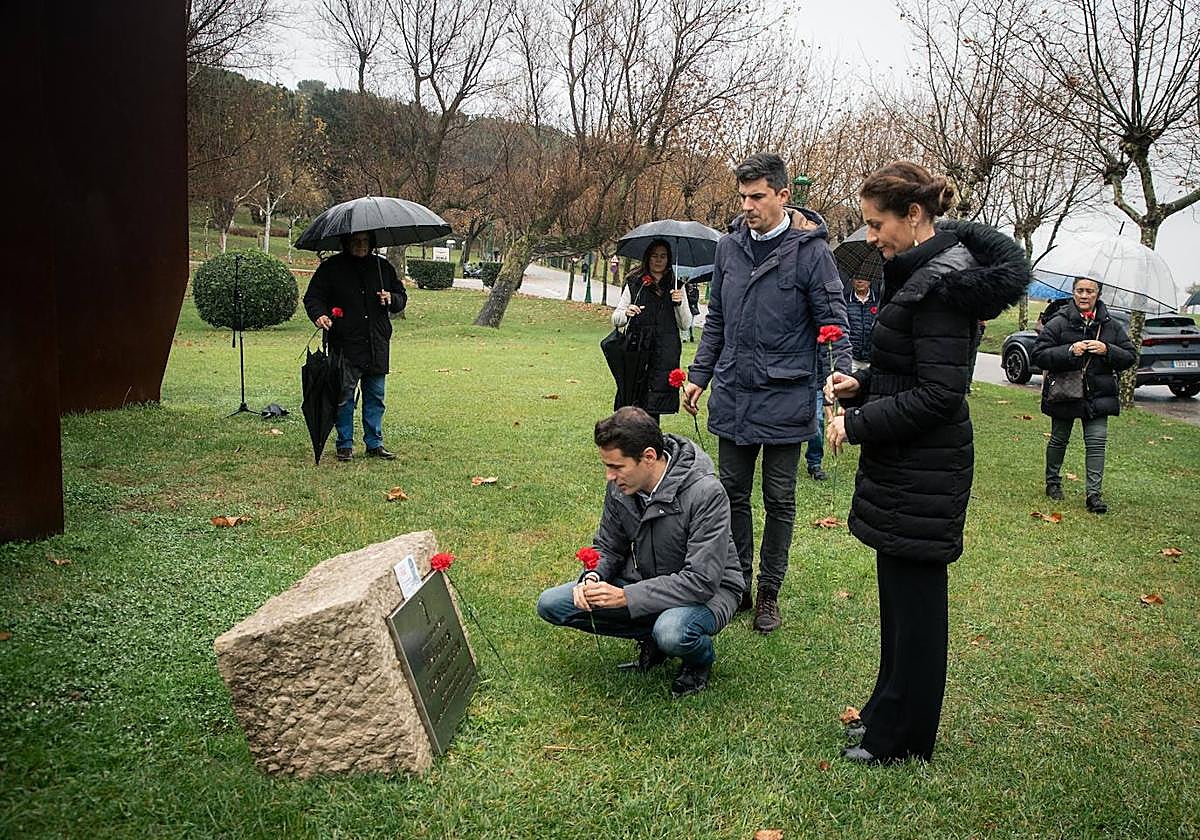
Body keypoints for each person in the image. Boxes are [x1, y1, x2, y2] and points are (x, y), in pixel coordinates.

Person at [825, 161, 1028, 764]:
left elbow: (940, 395)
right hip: (907, 465)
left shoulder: (942, 286)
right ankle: (885, 713)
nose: (870, 237)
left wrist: (855, 424)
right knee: (898, 605)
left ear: (913, 216)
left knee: (916, 612)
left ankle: (904, 740)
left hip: (926, 467)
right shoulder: (920, 273)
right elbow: (909, 370)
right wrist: (862, 385)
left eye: (875, 224)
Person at [682, 152, 851, 634]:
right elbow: (717, 319)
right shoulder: (729, 248)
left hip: (786, 395)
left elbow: (833, 322)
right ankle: (737, 583)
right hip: (734, 392)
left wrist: (840, 373)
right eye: (743, 197)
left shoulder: (812, 252)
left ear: (783, 195)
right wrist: (699, 375)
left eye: (757, 197)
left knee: (779, 499)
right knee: (731, 494)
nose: (748, 206)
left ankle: (769, 592)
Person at [535, 407, 744, 698]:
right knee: (552, 603)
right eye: (607, 466)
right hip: (647, 580)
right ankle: (651, 635)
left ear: (648, 457)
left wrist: (626, 597)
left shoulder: (706, 492)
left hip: (711, 591)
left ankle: (698, 661)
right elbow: (608, 545)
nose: (609, 476)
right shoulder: (621, 486)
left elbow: (701, 581)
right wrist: (593, 577)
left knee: (672, 631)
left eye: (617, 467)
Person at [1032, 277, 1135, 513]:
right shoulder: (1058, 323)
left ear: (1098, 294)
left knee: (1097, 443)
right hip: (1065, 392)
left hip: (1099, 395)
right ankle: (1053, 482)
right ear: (1073, 293)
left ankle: (1094, 495)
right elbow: (1039, 355)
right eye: (1080, 290)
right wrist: (1069, 350)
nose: (1084, 295)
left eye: (1090, 291)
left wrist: (1107, 350)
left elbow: (1130, 356)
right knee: (1059, 439)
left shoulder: (1111, 326)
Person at [303, 231, 408, 462]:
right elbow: (312, 298)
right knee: (344, 396)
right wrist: (319, 315)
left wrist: (391, 298)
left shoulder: (382, 267)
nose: (361, 245)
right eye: (356, 241)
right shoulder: (331, 268)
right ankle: (345, 444)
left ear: (371, 243)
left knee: (376, 396)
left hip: (376, 344)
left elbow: (401, 297)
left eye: (365, 241)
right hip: (345, 344)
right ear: (346, 242)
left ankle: (374, 443)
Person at [610, 239, 692, 421]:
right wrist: (627, 313)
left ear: (669, 259)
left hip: (664, 351)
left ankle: (651, 435)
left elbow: (685, 324)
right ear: (647, 257)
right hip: (638, 350)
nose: (658, 260)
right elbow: (616, 318)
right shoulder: (634, 282)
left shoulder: (677, 286)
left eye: (663, 256)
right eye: (655, 256)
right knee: (633, 399)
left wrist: (679, 303)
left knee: (654, 403)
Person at [844, 276, 879, 371]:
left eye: (863, 277)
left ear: (870, 280)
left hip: (873, 358)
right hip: (851, 358)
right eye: (856, 277)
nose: (860, 281)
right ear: (852, 280)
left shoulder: (878, 301)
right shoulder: (845, 301)